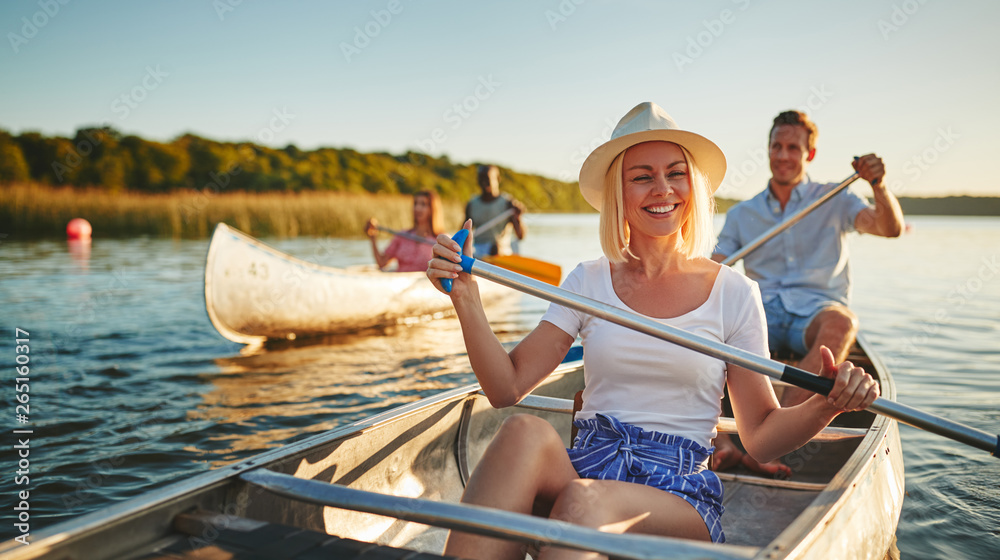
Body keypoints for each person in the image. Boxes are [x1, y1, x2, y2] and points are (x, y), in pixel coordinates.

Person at [427, 102, 879, 557]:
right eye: (642, 176)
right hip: (589, 465)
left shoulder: (735, 292)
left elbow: (760, 435)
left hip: (677, 493)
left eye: (675, 173)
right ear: (618, 193)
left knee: (585, 500)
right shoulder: (587, 281)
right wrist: (465, 297)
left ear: (693, 187)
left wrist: (826, 406)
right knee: (522, 431)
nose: (662, 189)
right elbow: (506, 388)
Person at [713, 110, 903, 409]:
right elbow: (715, 267)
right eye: (776, 146)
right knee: (714, 318)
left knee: (843, 322)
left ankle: (783, 424)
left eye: (793, 148)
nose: (782, 155)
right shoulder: (741, 213)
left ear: (810, 153)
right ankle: (719, 437)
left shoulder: (836, 198)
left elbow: (890, 229)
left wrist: (877, 184)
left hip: (815, 315)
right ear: (768, 150)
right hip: (762, 316)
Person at [365, 190, 444, 272]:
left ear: (432, 209)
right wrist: (373, 237)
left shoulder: (442, 239)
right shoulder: (402, 235)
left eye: (423, 204)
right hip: (399, 282)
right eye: (415, 204)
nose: (417, 208)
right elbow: (382, 263)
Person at [466, 164, 527, 256]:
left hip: (502, 250)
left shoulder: (507, 203)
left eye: (487, 178)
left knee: (495, 248)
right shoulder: (471, 204)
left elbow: (520, 236)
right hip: (478, 250)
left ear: (497, 179)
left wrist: (518, 218)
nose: (483, 182)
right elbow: (464, 233)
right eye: (480, 178)